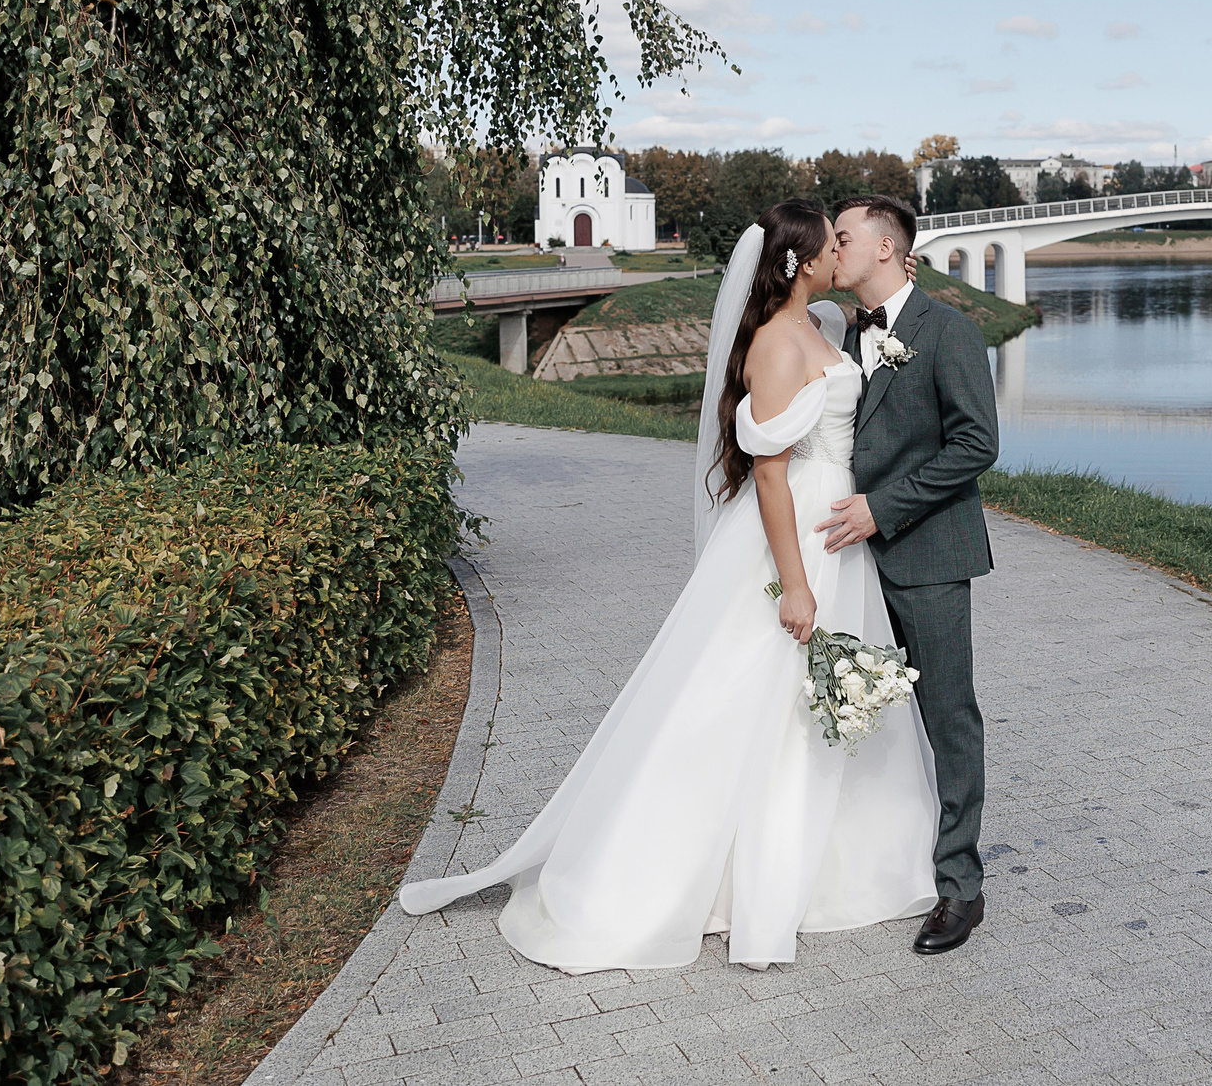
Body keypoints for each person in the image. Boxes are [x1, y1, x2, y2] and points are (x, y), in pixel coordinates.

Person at [397, 201, 939, 970]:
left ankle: (832, 864)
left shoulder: (819, 323)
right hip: (800, 537)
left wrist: (896, 285)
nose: (838, 250)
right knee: (753, 699)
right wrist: (794, 584)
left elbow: (859, 344)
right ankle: (705, 872)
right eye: (830, 243)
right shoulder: (781, 345)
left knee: (808, 707)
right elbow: (774, 477)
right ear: (801, 262)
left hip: (837, 530)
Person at [812, 195, 1002, 955]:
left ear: (887, 248)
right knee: (856, 712)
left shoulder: (948, 329)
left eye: (844, 237)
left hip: (926, 552)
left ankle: (961, 886)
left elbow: (976, 443)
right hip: (848, 562)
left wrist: (883, 508)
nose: (833, 247)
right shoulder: (837, 328)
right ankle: (872, 861)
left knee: (948, 715)